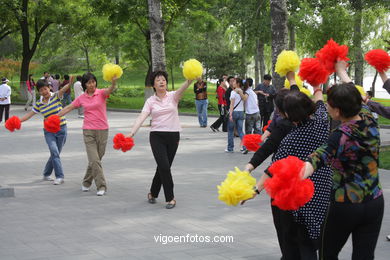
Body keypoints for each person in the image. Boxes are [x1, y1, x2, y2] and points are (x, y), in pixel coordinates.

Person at [243, 71, 333, 260]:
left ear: (290, 117)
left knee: (298, 246)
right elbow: (318, 100)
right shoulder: (323, 122)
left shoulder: (291, 140)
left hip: (298, 198)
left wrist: (256, 190)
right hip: (322, 194)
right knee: (311, 241)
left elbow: (273, 170)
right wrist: (315, 85)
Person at [302, 60, 384, 260]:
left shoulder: (339, 136)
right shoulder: (369, 119)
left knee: (327, 253)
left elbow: (317, 157)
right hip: (374, 202)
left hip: (345, 205)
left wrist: (294, 176)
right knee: (364, 256)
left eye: (329, 105)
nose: (328, 108)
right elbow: (358, 96)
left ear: (337, 111)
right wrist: (340, 70)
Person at [126, 70, 194, 209]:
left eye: (163, 79)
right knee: (164, 166)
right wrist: (132, 133)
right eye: (158, 80)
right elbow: (141, 117)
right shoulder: (150, 101)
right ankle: (170, 198)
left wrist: (190, 79)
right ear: (154, 85)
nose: (161, 81)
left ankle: (152, 193)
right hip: (157, 136)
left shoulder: (173, 96)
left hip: (173, 135)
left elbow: (184, 87)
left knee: (164, 167)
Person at [58, 73, 117, 196]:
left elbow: (110, 89)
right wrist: (54, 117)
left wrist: (113, 82)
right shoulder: (82, 98)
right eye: (89, 82)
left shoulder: (101, 93)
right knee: (94, 159)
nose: (92, 84)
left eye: (93, 81)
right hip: (88, 131)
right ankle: (101, 186)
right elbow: (69, 107)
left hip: (103, 130)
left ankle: (86, 182)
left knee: (97, 159)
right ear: (84, 84)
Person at [20, 78, 73, 185]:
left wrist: (70, 84)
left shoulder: (56, 96)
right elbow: (29, 115)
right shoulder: (39, 103)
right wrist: (17, 121)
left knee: (55, 153)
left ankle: (46, 173)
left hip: (62, 129)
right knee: (54, 152)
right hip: (49, 132)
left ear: (49, 88)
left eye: (45, 89)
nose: (44, 92)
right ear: (39, 92)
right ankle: (59, 176)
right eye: (41, 90)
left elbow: (62, 90)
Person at [226, 78, 247, 153]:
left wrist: (230, 114)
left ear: (238, 83)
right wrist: (241, 92)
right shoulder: (242, 91)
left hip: (234, 112)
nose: (233, 82)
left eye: (234, 81)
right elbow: (244, 99)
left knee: (231, 131)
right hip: (241, 112)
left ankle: (230, 148)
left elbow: (232, 104)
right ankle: (245, 147)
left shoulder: (233, 92)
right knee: (240, 131)